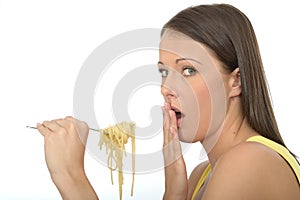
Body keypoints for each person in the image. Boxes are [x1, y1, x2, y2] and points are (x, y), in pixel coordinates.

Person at [37, 3, 300, 200]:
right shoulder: (201, 175)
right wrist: (174, 186)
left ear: (236, 82)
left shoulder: (249, 161)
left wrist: (70, 176)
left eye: (188, 70)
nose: (166, 88)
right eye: (164, 72)